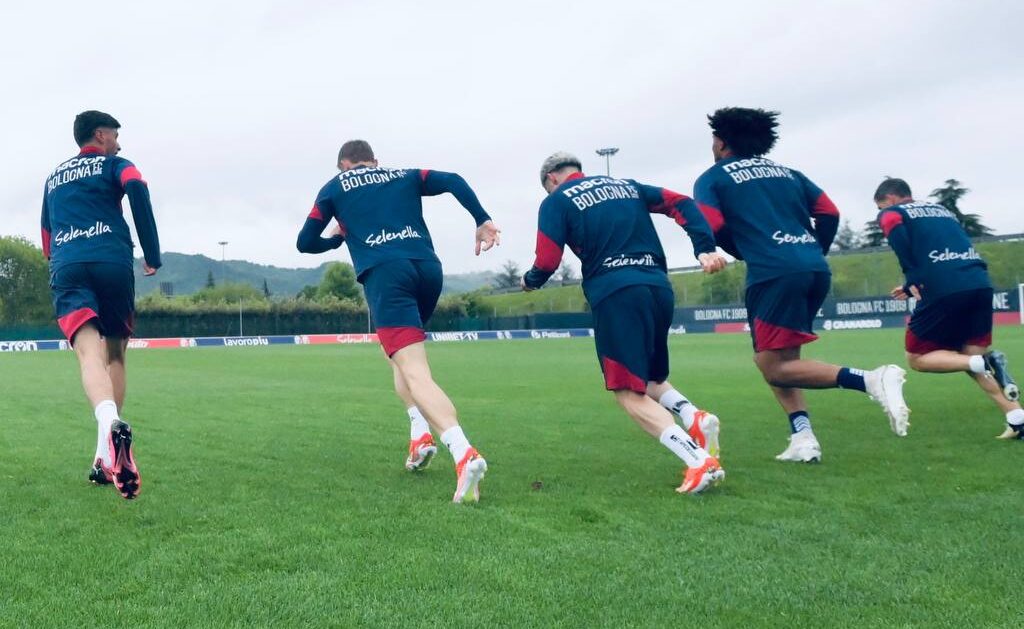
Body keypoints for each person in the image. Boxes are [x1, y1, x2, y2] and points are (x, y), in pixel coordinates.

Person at [693, 107, 909, 463]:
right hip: (812, 268)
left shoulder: (712, 178)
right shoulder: (789, 173)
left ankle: (872, 380)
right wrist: (811, 250)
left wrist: (745, 248)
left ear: (720, 142)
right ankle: (803, 438)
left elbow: (712, 224)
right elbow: (829, 212)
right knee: (777, 360)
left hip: (772, 273)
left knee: (773, 366)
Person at [296, 140, 501, 503]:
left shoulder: (334, 187)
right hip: (427, 269)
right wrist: (481, 218)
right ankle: (419, 436)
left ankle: (463, 452)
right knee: (398, 357)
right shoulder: (403, 174)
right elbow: (452, 179)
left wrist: (335, 241)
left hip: (386, 275)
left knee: (415, 370)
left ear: (343, 165)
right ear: (374, 161)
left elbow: (304, 242)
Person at [521, 152, 728, 495]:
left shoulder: (556, 201)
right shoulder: (628, 186)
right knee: (650, 379)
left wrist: (530, 281)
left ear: (553, 178)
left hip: (616, 291)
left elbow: (547, 260)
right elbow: (684, 204)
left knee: (627, 391)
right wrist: (703, 248)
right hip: (658, 287)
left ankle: (697, 460)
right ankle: (695, 417)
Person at [41, 110, 161, 499]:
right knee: (115, 355)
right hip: (111, 261)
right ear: (99, 134)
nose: (119, 143)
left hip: (69, 264)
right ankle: (103, 455)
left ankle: (106, 433)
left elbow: (46, 234)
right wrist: (152, 253)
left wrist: (59, 257)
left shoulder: (53, 177)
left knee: (88, 354)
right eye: (115, 135)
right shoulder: (116, 165)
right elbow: (137, 187)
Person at [874, 177, 1022, 439]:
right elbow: (943, 250)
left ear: (892, 198)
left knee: (918, 358)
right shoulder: (943, 212)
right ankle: (1016, 417)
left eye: (881, 206)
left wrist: (912, 277)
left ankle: (986, 360)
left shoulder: (893, 212)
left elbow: (891, 225)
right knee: (968, 358)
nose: (881, 212)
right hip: (978, 283)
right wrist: (912, 284)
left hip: (943, 290)